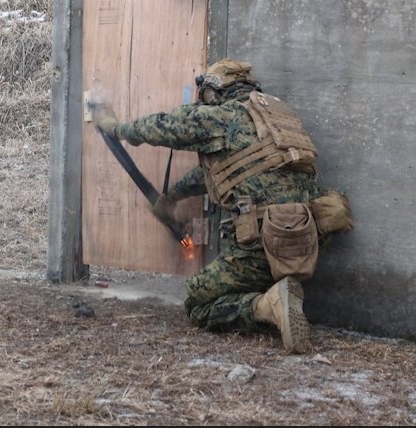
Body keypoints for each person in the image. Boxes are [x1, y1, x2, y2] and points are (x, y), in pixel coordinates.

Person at [92, 58, 353, 353]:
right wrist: (171, 198)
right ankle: (275, 292)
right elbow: (219, 174)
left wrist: (118, 129)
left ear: (215, 92)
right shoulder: (276, 118)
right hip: (313, 235)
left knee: (198, 302)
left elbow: (164, 126)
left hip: (268, 241)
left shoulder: (222, 117)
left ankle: (266, 306)